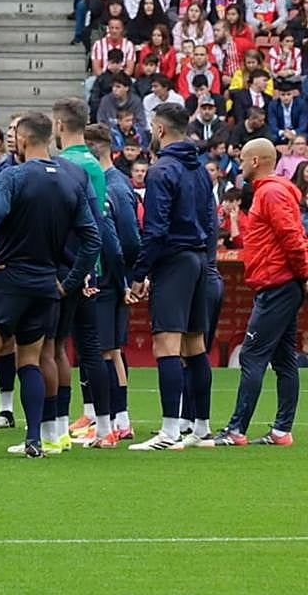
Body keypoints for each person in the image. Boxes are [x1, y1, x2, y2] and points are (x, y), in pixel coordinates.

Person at [0, 113, 100, 459]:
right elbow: (92, 238)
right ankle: (34, 440)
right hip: (47, 285)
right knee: (30, 360)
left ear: (26, 140)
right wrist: (69, 282)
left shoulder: (14, 177)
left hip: (9, 280)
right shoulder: (73, 178)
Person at [127, 103, 216, 451]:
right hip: (198, 260)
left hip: (175, 262)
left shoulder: (161, 170)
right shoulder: (201, 171)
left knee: (166, 343)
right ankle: (201, 428)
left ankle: (169, 431)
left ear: (160, 130)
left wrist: (140, 273)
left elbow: (156, 229)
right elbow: (211, 222)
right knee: (195, 344)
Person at [211, 138, 307, 447]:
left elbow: (293, 237)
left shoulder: (271, 193)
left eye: (242, 160)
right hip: (280, 282)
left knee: (252, 355)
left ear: (255, 162)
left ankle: (237, 429)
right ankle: (281, 430)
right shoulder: (272, 192)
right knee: (283, 358)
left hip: (277, 284)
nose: (238, 165)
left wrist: (305, 273)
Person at [52, 97, 118, 450]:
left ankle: (59, 428)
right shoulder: (94, 164)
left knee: (58, 347)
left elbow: (77, 224)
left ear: (59, 125)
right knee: (90, 348)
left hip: (69, 268)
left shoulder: (64, 165)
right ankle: (104, 428)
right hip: (91, 266)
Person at [86, 124, 141, 442]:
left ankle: (111, 423)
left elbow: (127, 239)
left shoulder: (111, 186)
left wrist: (124, 278)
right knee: (112, 350)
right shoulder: (116, 183)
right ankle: (121, 419)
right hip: (114, 278)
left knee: (105, 351)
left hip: (107, 279)